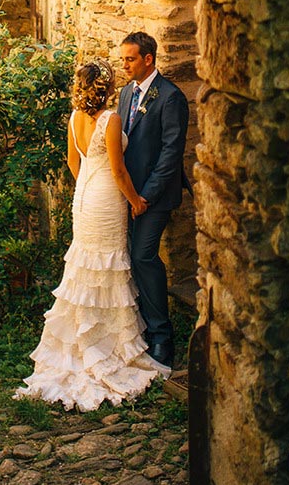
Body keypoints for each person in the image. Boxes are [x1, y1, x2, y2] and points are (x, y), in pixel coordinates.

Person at [15, 60, 171, 412]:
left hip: (83, 198)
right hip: (106, 198)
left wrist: (88, 183)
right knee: (108, 268)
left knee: (86, 267)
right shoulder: (110, 120)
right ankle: (106, 349)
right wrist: (136, 201)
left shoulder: (74, 118)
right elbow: (117, 169)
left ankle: (82, 343)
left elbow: (74, 163)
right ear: (105, 87)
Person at [118, 32, 190, 371]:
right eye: (123, 59)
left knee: (143, 256)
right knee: (131, 258)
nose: (125, 65)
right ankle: (143, 330)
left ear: (149, 59)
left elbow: (170, 154)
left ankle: (163, 337)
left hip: (155, 196)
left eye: (130, 59)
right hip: (127, 196)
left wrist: (145, 196)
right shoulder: (124, 94)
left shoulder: (171, 97)